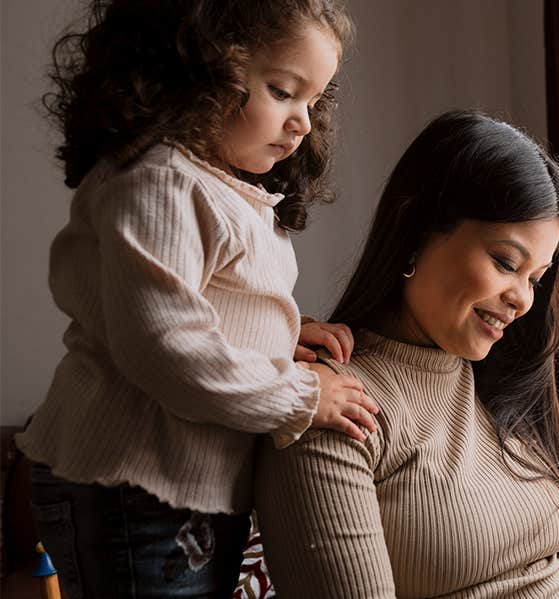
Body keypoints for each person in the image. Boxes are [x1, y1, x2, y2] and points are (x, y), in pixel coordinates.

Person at [16, 1, 377, 596]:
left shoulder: (214, 188)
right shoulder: (161, 182)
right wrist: (301, 396)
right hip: (133, 485)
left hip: (175, 490)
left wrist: (281, 332)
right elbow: (165, 347)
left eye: (313, 102)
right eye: (284, 91)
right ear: (203, 70)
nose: (303, 123)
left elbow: (204, 305)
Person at [254, 110, 559, 598]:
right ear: (415, 230)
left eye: (535, 279)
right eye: (505, 262)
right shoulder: (333, 409)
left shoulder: (503, 388)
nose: (523, 300)